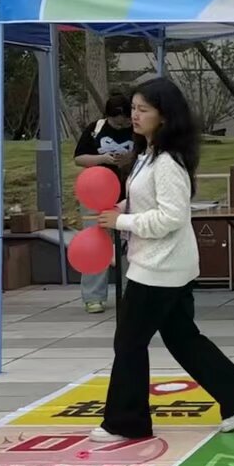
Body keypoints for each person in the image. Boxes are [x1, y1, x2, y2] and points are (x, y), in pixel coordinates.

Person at [93, 78, 234, 440]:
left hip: (159, 267)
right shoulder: (148, 154)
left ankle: (126, 421)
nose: (135, 115)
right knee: (183, 338)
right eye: (133, 108)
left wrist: (122, 222)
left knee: (129, 342)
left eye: (143, 110)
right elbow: (149, 201)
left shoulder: (167, 161)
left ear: (165, 116)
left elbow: (172, 216)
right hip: (161, 263)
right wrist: (123, 208)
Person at [74, 94, 136, 315]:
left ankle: (131, 293)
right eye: (116, 123)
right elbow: (79, 158)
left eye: (125, 122)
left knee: (131, 241)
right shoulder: (95, 129)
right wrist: (103, 159)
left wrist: (129, 158)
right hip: (96, 192)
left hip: (128, 191)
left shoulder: (137, 130)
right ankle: (93, 297)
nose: (121, 126)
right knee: (96, 242)